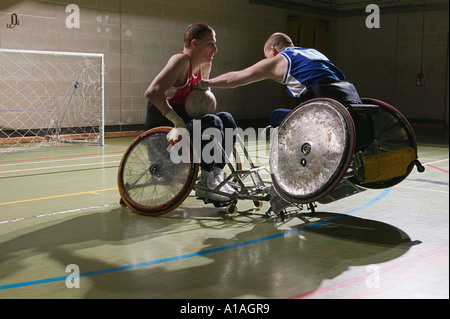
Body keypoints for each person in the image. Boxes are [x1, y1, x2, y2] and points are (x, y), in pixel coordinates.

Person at [201, 32, 373, 150]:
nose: (267, 60)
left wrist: (206, 82)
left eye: (266, 56)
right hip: (348, 108)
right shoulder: (314, 53)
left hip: (324, 113)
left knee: (276, 116)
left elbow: (234, 79)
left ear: (273, 51)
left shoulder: (279, 59)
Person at [144, 23, 237, 202]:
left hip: (184, 129)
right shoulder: (180, 61)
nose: (216, 49)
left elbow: (198, 105)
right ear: (195, 43)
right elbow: (152, 92)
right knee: (212, 122)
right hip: (165, 134)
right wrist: (176, 121)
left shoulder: (203, 67)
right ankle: (207, 184)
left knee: (226, 119)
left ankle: (214, 177)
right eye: (211, 44)